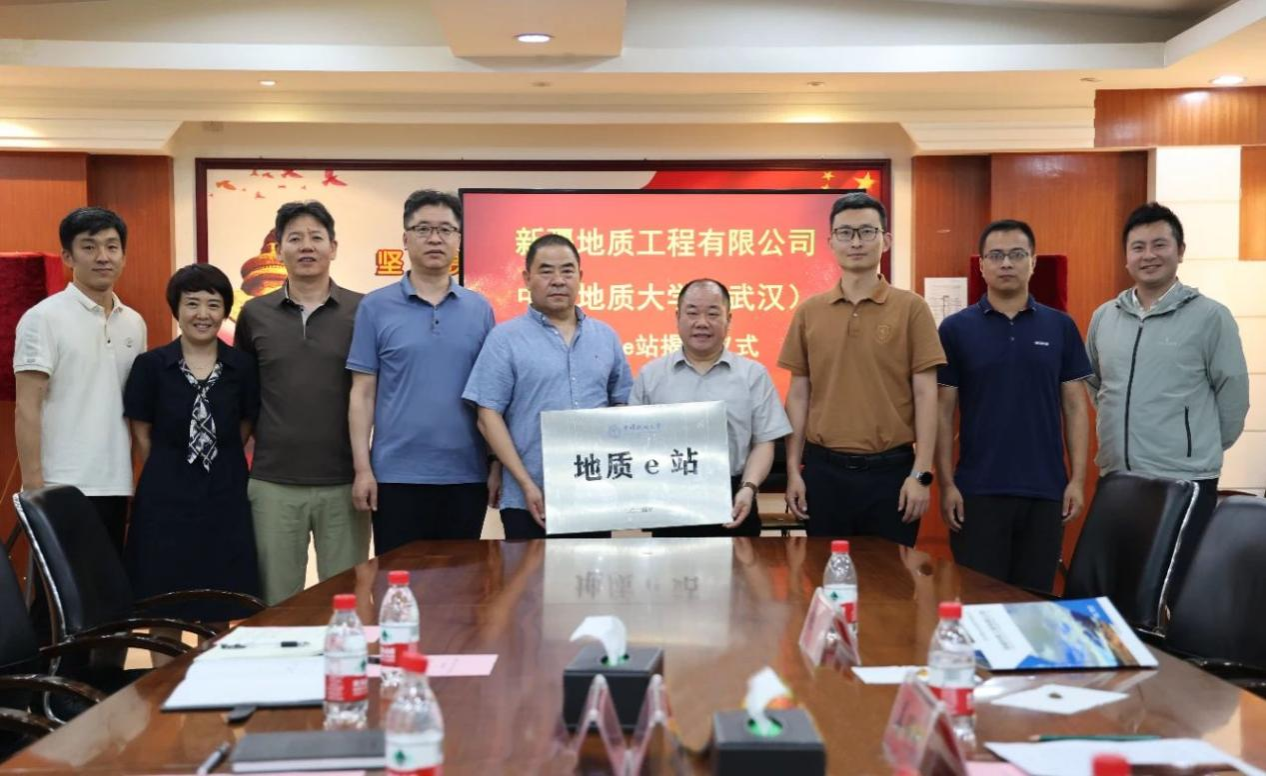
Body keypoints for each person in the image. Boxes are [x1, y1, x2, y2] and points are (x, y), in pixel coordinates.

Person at [1086, 201, 1249, 592]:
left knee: (1172, 587)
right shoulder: (1104, 317)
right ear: (1126, 257)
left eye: (1159, 244)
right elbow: (1094, 384)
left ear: (1180, 251)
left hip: (1184, 479)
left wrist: (1198, 446)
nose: (1149, 255)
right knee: (1121, 584)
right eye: (1138, 247)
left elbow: (1233, 393)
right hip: (1118, 475)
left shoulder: (1210, 316)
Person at [777, 192, 946, 546]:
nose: (856, 242)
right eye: (845, 233)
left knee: (892, 578)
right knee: (825, 574)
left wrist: (921, 474)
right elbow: (799, 395)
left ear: (886, 240)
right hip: (824, 474)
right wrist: (793, 471)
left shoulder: (911, 308)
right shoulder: (809, 312)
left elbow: (926, 394)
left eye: (867, 232)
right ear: (831, 242)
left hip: (892, 475)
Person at [935, 220, 1092, 591]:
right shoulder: (955, 329)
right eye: (996, 255)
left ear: (1033, 262)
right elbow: (941, 413)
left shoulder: (1060, 327)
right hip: (977, 492)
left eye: (1017, 255)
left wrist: (1077, 480)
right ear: (982, 265)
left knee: (1034, 602)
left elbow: (1075, 408)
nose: (1006, 263)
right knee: (979, 601)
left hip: (1045, 491)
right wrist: (946, 484)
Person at [347, 190, 497, 554]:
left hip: (466, 475)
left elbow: (491, 397)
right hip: (395, 477)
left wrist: (495, 463)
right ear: (405, 238)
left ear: (459, 239)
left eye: (446, 229)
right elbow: (362, 393)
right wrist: (363, 469)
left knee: (462, 582)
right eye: (424, 229)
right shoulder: (375, 307)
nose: (435, 238)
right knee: (398, 582)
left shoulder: (479, 309)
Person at [233, 201, 367, 605]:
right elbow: (244, 395)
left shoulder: (364, 310)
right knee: (276, 606)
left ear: (333, 247)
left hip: (344, 482)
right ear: (279, 251)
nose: (306, 246)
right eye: (294, 238)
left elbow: (371, 392)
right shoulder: (255, 314)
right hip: (273, 482)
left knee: (345, 603)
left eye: (316, 237)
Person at [463, 233, 633, 540]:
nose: (558, 280)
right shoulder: (505, 339)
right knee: (530, 574)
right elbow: (487, 415)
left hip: (595, 495)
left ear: (580, 277)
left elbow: (622, 404)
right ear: (527, 278)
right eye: (546, 271)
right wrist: (524, 483)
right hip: (529, 498)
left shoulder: (606, 337)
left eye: (567, 271)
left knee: (592, 572)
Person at [122, 264, 260, 620]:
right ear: (177, 309)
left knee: (225, 601)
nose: (203, 314)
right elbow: (142, 432)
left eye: (213, 305)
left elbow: (245, 425)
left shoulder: (243, 367)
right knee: (163, 602)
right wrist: (174, 470)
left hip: (226, 494)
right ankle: (165, 660)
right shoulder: (150, 366)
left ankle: (217, 659)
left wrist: (215, 460)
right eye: (192, 303)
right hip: (164, 497)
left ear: (225, 311)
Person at [14, 207, 147, 554]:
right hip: (59, 484)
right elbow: (27, 406)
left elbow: (134, 408)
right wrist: (33, 487)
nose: (103, 256)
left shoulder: (134, 323)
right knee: (60, 586)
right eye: (89, 247)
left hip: (116, 483)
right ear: (68, 257)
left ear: (123, 256)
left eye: (112, 247)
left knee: (107, 584)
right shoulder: (43, 318)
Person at [630, 278, 791, 537]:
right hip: (669, 497)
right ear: (677, 317)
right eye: (692, 313)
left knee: (738, 565)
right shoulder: (651, 376)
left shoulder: (753, 375)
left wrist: (748, 488)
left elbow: (764, 442)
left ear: (729, 319)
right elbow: (635, 443)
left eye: (713, 314)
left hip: (735, 498)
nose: (702, 322)